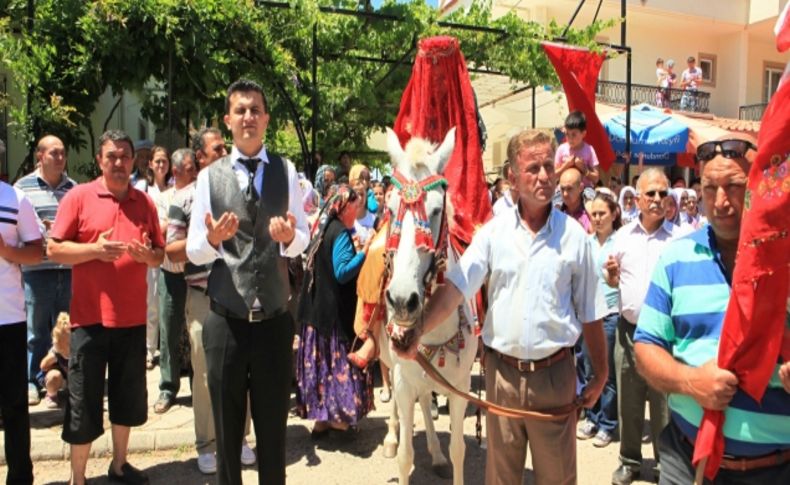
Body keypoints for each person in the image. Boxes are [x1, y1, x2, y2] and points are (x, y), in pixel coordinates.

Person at [396, 129, 608, 485]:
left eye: (547, 166)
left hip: (554, 377)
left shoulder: (575, 239)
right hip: (503, 378)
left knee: (556, 479)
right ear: (512, 177)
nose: (544, 176)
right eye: (532, 168)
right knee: (502, 479)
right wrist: (417, 331)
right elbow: (453, 292)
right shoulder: (492, 235)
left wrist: (600, 374)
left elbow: (591, 313)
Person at [634, 142, 790, 483]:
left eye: (734, 186)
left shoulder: (785, 259)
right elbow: (645, 348)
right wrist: (691, 382)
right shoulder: (676, 259)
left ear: (757, 186)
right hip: (686, 460)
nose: (720, 202)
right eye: (709, 188)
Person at [186, 79, 308, 485]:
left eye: (255, 109)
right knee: (227, 436)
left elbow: (302, 239)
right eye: (240, 110)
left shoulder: (286, 171)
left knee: (273, 439)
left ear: (266, 118)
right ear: (228, 120)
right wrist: (213, 240)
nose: (248, 117)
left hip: (273, 322)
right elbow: (192, 251)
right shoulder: (209, 178)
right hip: (226, 323)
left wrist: (290, 239)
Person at [48, 129, 165, 485]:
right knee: (83, 402)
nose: (118, 162)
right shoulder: (79, 197)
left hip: (131, 320)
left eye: (124, 156)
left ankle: (119, 464)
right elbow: (53, 249)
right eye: (111, 156)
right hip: (89, 320)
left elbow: (160, 256)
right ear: (100, 160)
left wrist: (149, 257)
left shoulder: (144, 203)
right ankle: (78, 478)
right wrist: (94, 251)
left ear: (134, 161)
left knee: (126, 398)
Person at [167, 134, 254, 474]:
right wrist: (208, 240)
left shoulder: (242, 191)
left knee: (241, 371)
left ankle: (239, 438)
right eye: (217, 148)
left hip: (241, 297)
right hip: (203, 299)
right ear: (200, 157)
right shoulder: (186, 199)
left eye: (225, 147)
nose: (224, 153)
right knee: (206, 374)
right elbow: (170, 250)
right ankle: (206, 443)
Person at [603, 167, 680, 485]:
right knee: (629, 401)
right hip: (628, 332)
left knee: (664, 405)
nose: (658, 199)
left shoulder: (680, 239)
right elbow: (609, 277)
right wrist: (611, 277)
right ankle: (629, 461)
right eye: (651, 193)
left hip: (666, 337)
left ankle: (667, 465)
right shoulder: (621, 237)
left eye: (663, 193)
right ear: (637, 198)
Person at [296, 185, 375, 436]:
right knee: (335, 367)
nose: (357, 209)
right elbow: (342, 273)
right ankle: (339, 420)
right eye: (354, 205)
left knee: (321, 369)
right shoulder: (340, 232)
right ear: (344, 207)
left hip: (315, 313)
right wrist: (364, 251)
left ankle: (321, 420)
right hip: (333, 317)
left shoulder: (323, 229)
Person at [13, 135, 76, 406]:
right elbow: (16, 230)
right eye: (54, 153)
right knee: (35, 330)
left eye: (63, 153)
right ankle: (31, 381)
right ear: (40, 156)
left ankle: (63, 380)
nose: (60, 158)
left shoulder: (74, 189)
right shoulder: (22, 188)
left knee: (66, 329)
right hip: (36, 271)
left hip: (68, 269)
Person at [0, 137, 41, 485]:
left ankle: (20, 477)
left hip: (8, 318)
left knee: (13, 406)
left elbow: (37, 251)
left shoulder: (15, 199)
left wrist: (7, 252)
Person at [577, 191, 622, 448]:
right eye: (593, 214)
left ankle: (607, 423)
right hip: (588, 313)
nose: (596, 218)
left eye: (601, 213)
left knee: (607, 373)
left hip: (611, 313)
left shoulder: (620, 242)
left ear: (614, 214)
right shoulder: (586, 242)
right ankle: (591, 417)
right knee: (588, 368)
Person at [154, 148, 197, 414]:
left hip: (196, 275)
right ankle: (168, 387)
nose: (195, 172)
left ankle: (197, 387)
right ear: (177, 171)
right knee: (169, 331)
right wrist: (180, 218)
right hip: (170, 274)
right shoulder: (164, 198)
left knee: (195, 332)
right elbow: (159, 231)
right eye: (190, 168)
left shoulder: (200, 196)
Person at [143, 146, 171, 370]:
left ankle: (168, 351)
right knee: (151, 302)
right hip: (151, 252)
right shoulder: (143, 190)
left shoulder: (174, 188)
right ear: (150, 164)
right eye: (157, 161)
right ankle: (149, 349)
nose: (161, 165)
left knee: (167, 304)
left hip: (172, 253)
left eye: (165, 161)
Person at [554, 111, 600, 194]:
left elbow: (596, 178)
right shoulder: (561, 149)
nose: (570, 138)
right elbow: (553, 175)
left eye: (574, 134)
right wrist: (566, 166)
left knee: (590, 203)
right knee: (556, 204)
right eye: (567, 134)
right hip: (564, 189)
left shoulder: (589, 150)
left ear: (583, 134)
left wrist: (584, 169)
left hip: (585, 189)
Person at [37, 312, 71, 409]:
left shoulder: (77, 350)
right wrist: (51, 359)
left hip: (71, 377)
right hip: (59, 377)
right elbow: (42, 366)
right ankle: (51, 395)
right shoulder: (56, 352)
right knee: (54, 375)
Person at [559, 167, 593, 233]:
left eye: (569, 189)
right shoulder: (555, 215)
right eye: (562, 189)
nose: (565, 194)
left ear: (580, 188)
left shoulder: (591, 214)